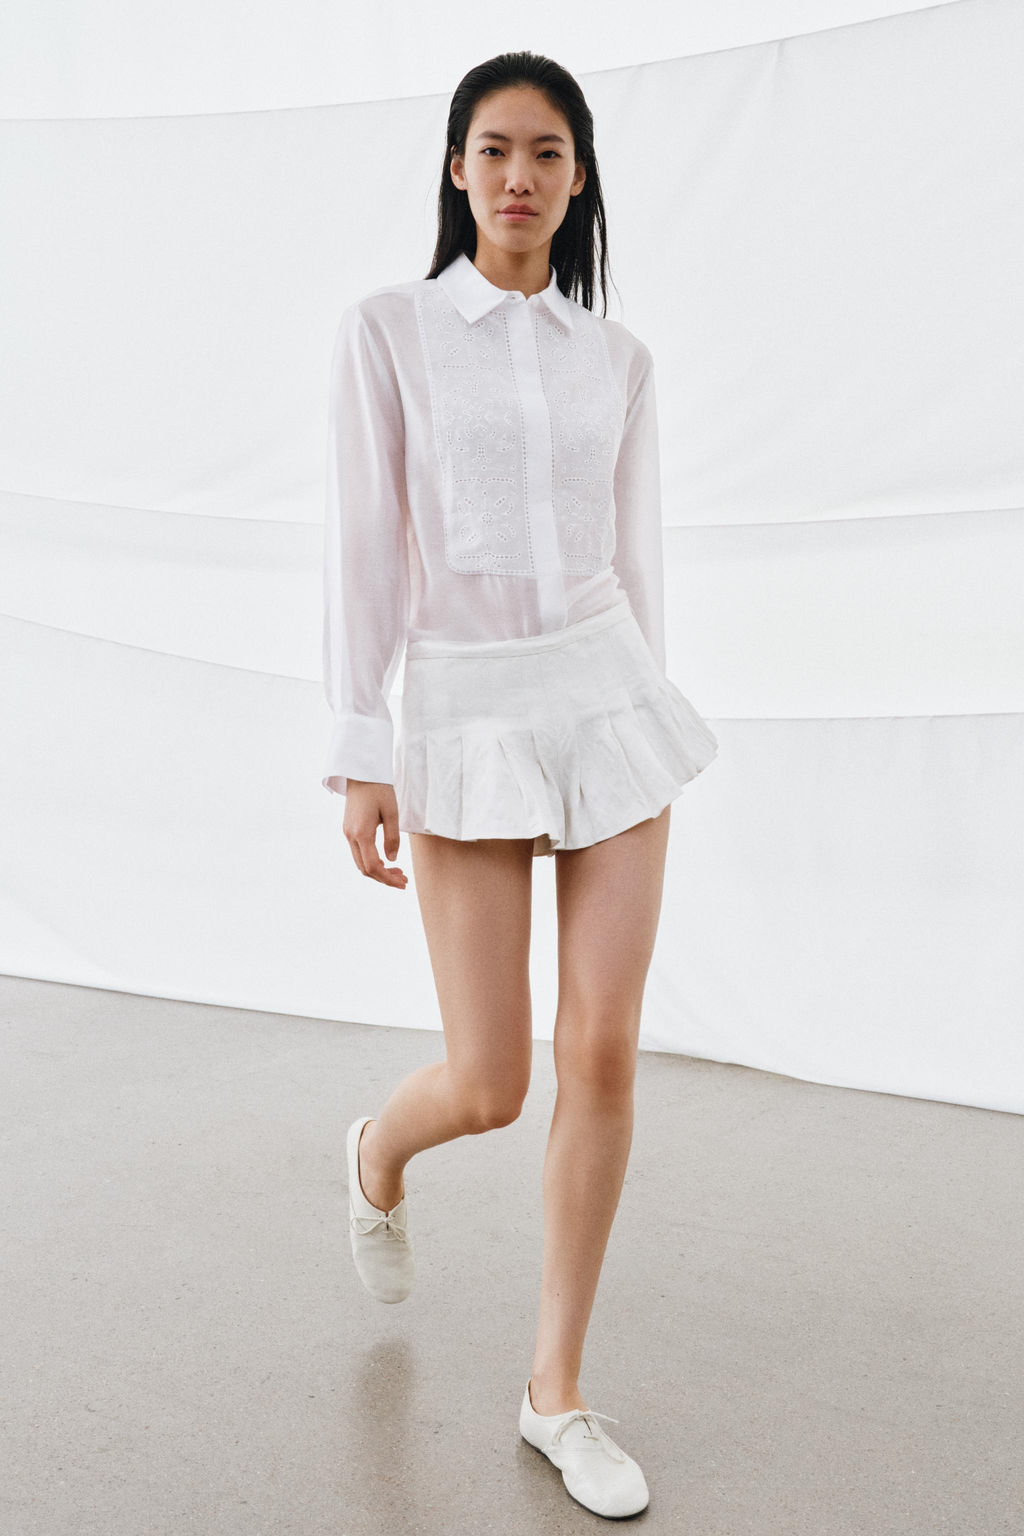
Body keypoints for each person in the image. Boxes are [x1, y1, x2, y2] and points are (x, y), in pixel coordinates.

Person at [321, 49, 718, 1521]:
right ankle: (377, 1150)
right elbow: (365, 547)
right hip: (467, 710)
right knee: (492, 1082)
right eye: (494, 149)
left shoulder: (619, 359)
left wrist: (648, 705)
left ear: (578, 176)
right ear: (457, 168)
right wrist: (360, 747)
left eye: (547, 153)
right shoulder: (390, 331)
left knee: (600, 1053)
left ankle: (556, 1393)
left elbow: (637, 551)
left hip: (606, 698)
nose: (519, 177)